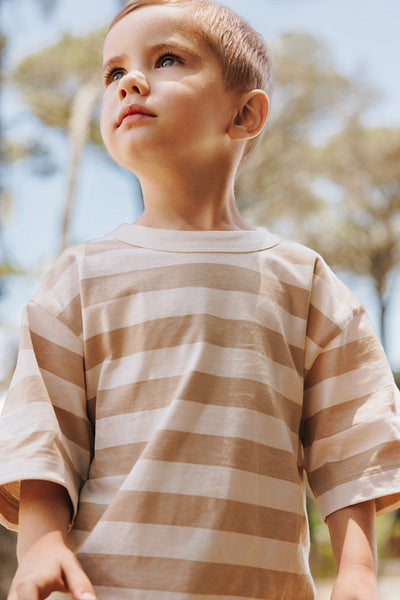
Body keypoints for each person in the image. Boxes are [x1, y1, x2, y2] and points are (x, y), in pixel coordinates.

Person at [1, 1, 400, 599]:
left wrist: (358, 574)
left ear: (244, 114)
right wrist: (40, 546)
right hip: (105, 589)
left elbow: (353, 439)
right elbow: (42, 428)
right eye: (114, 73)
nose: (130, 81)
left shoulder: (304, 280)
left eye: (166, 60)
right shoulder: (80, 276)